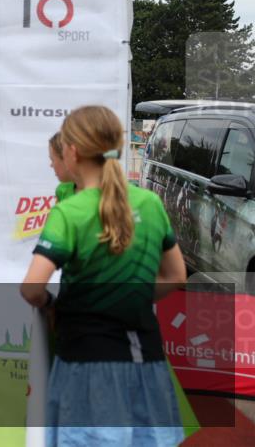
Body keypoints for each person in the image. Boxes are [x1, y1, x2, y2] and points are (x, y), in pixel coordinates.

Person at [20, 105, 187, 446]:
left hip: (85, 363)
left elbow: (31, 288)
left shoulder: (70, 212)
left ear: (73, 151)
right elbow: (176, 276)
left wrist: (51, 305)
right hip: (146, 362)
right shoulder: (150, 203)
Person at [48, 132, 77, 202]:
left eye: (52, 159)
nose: (51, 165)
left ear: (66, 159)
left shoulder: (103, 190)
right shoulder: (62, 189)